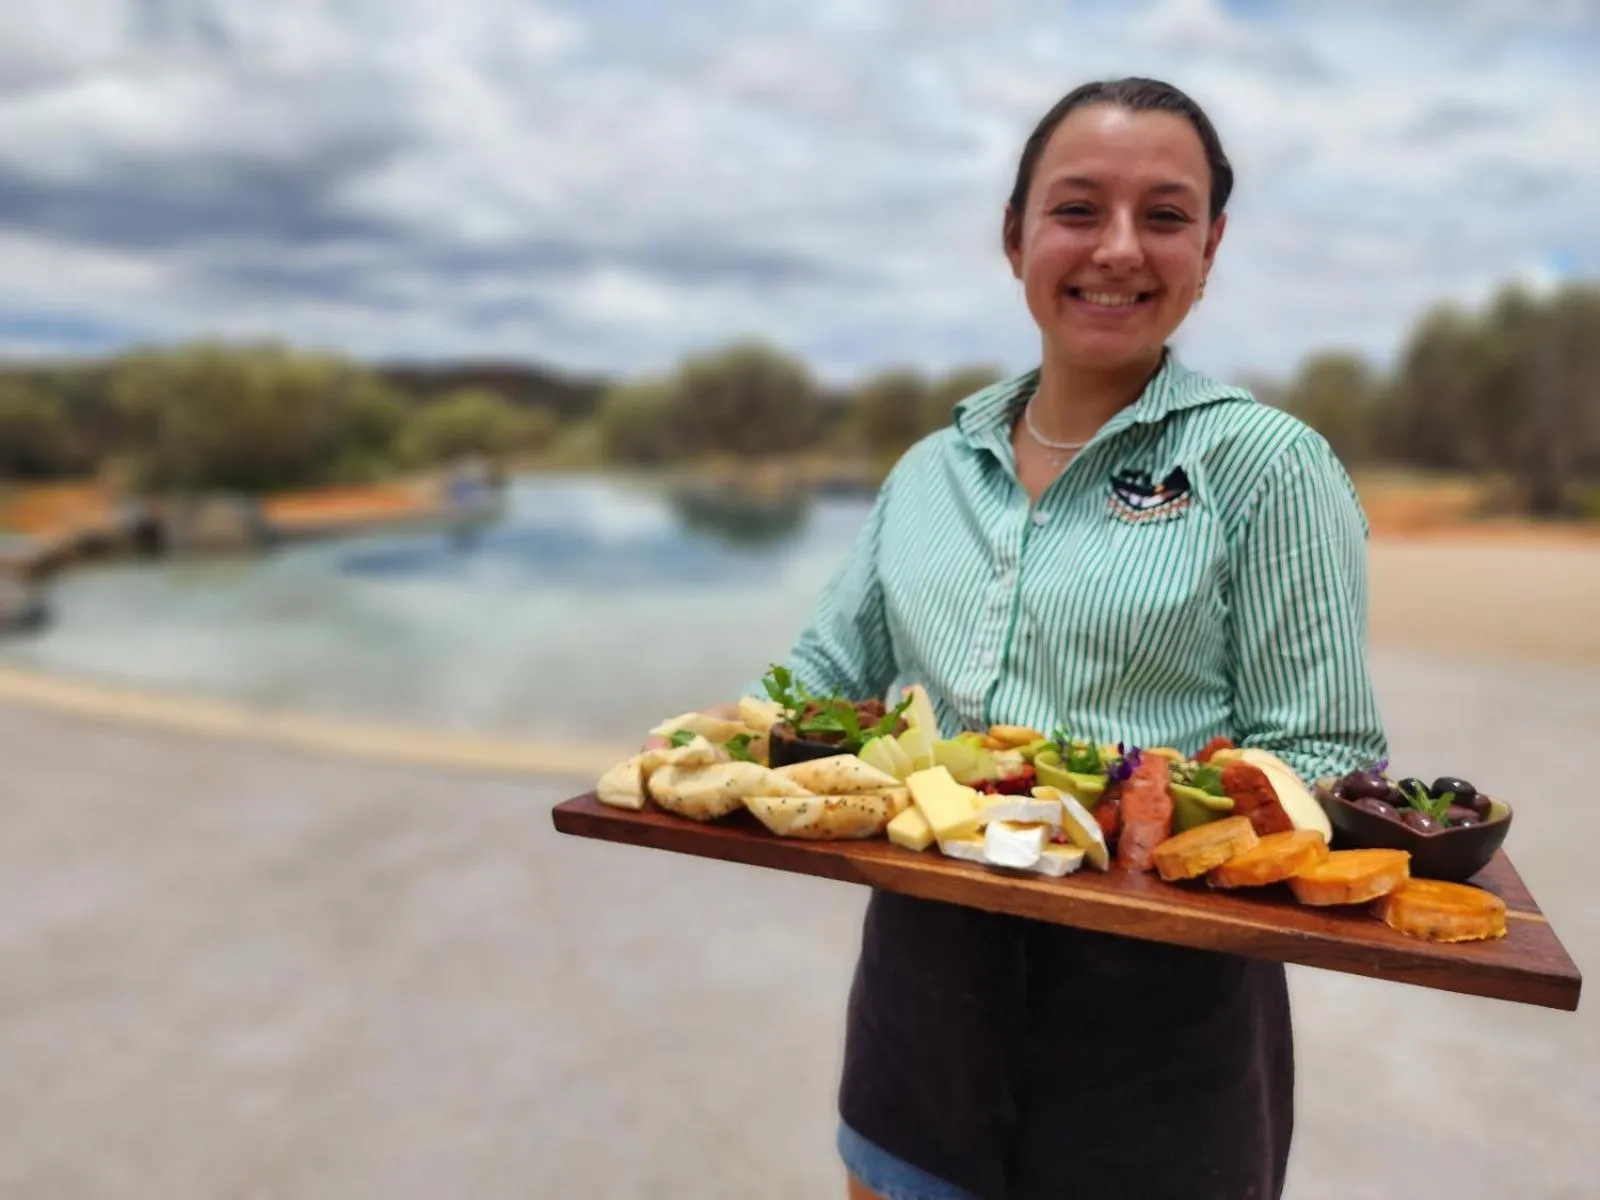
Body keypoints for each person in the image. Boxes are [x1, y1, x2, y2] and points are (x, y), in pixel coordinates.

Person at [662, 76, 1387, 1199]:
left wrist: (1151, 814)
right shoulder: (929, 471)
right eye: (1077, 209)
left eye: (1164, 215)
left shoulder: (1269, 468)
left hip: (1163, 1041)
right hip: (920, 1012)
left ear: (1209, 248)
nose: (1118, 249)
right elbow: (821, 684)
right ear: (1014, 238)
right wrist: (708, 742)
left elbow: (1326, 754)